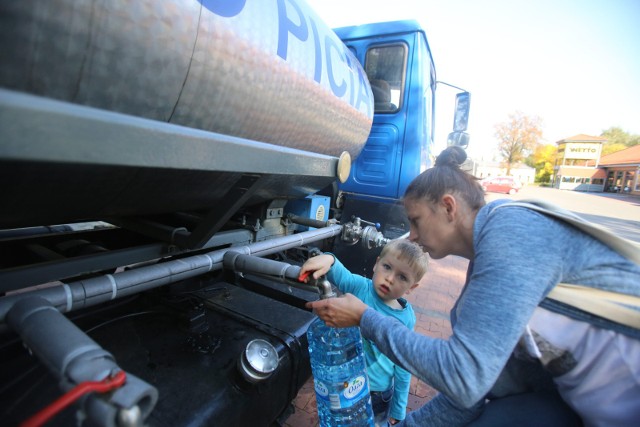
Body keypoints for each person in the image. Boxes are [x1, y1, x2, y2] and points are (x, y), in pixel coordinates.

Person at [306, 146, 640, 426]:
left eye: (416, 220)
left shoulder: (512, 229)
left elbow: (463, 378)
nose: (413, 236)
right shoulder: (485, 271)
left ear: (448, 207)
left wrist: (365, 317)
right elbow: (477, 389)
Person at [300, 238, 428, 426]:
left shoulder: (405, 318)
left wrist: (398, 407)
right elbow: (341, 274)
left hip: (376, 393)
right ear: (376, 264)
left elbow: (403, 364)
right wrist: (328, 259)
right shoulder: (361, 287)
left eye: (403, 277)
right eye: (387, 267)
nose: (390, 278)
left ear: (412, 287)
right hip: (344, 382)